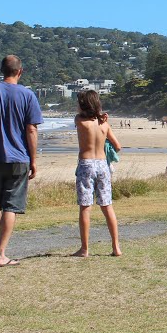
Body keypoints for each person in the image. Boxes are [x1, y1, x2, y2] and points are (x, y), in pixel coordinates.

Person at [0, 55, 43, 267]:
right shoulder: (28, 95)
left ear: (2, 70)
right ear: (20, 71)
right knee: (10, 205)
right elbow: (31, 129)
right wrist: (33, 159)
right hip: (18, 156)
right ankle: (1, 254)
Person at [73, 90, 123, 257]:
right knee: (107, 205)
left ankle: (85, 249)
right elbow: (118, 146)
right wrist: (102, 120)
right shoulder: (104, 124)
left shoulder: (79, 121)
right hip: (102, 165)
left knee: (85, 207)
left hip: (86, 164)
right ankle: (116, 247)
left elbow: (80, 115)